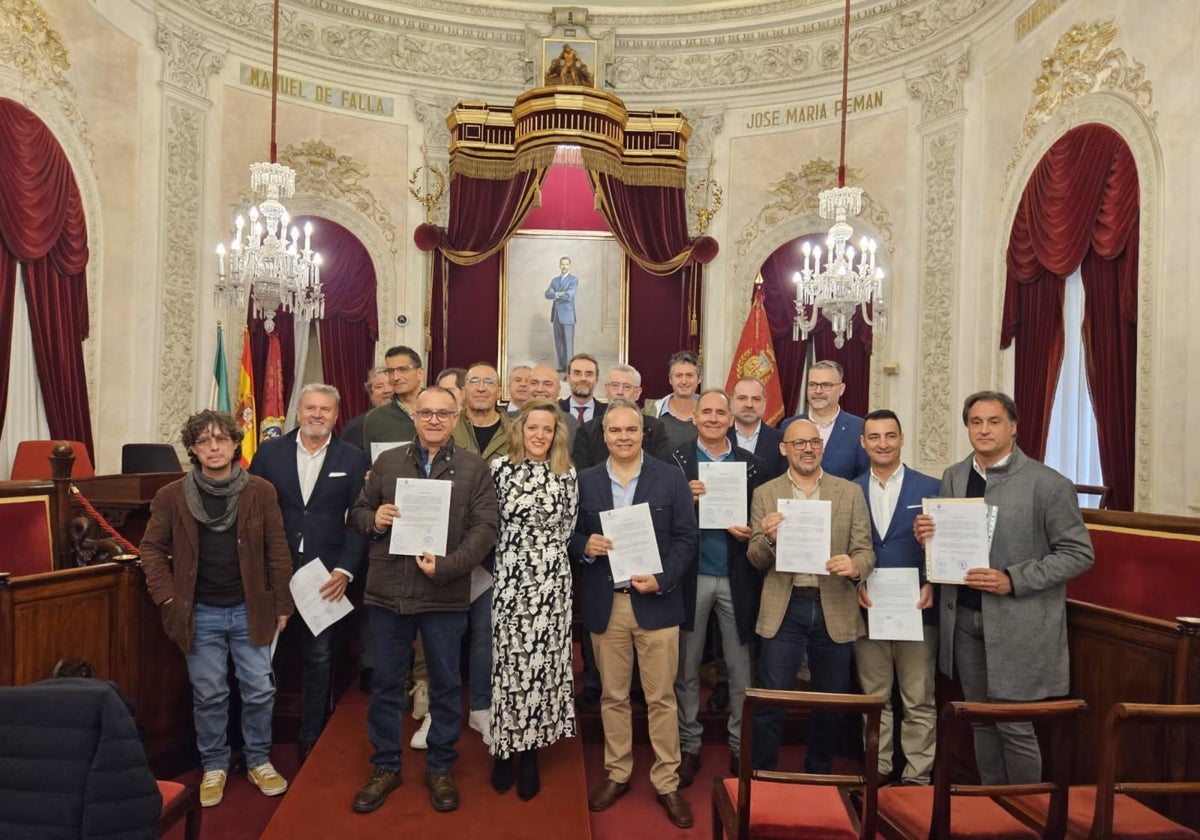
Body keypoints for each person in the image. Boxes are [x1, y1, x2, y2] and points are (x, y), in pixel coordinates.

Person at [914, 391, 1094, 785]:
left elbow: (1079, 554)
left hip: (1018, 623)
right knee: (980, 721)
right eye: (976, 422)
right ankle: (991, 806)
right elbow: (944, 543)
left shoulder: (1048, 484)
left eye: (994, 421)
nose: (984, 429)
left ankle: (1026, 813)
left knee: (1015, 726)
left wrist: (1013, 578)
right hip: (962, 619)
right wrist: (926, 533)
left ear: (1013, 427)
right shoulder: (954, 476)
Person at [349, 386, 499, 815]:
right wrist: (374, 519)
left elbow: (485, 530)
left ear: (456, 419)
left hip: (444, 592)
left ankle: (439, 766)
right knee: (386, 685)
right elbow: (359, 513)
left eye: (443, 414)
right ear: (414, 416)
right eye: (426, 413)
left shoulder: (474, 469)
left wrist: (449, 565)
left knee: (447, 684)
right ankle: (385, 766)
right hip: (388, 592)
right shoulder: (387, 462)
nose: (434, 420)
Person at [140, 410, 294, 808]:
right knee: (209, 695)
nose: (213, 447)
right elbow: (151, 550)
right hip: (198, 613)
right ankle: (214, 764)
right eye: (204, 441)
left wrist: (282, 602)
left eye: (221, 440)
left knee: (259, 690)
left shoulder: (261, 490)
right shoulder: (171, 496)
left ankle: (259, 759)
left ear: (234, 444)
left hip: (251, 609)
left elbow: (277, 550)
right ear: (192, 448)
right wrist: (168, 598)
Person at [571, 399, 699, 829]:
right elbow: (568, 534)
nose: (623, 437)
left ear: (643, 433)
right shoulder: (584, 481)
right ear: (603, 435)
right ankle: (618, 772)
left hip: (657, 603)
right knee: (613, 696)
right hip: (607, 605)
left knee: (662, 697)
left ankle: (667, 781)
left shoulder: (670, 478)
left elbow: (686, 538)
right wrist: (583, 546)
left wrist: (662, 579)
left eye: (631, 430)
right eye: (614, 431)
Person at [248, 384, 369, 763]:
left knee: (319, 658)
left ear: (337, 415)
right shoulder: (269, 453)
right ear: (298, 412)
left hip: (326, 576)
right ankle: (256, 742)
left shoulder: (352, 458)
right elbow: (250, 512)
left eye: (326, 410)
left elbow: (361, 521)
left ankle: (311, 737)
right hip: (275, 572)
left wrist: (346, 569)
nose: (318, 415)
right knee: (266, 658)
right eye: (311, 408)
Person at [748, 417, 874, 773]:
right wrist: (770, 539)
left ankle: (818, 776)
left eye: (814, 442)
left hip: (833, 604)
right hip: (784, 607)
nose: (808, 449)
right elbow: (755, 558)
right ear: (783, 449)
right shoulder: (766, 493)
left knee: (830, 703)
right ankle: (764, 776)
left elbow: (865, 551)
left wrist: (854, 565)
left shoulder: (849, 492)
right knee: (772, 700)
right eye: (799, 443)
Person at [670, 389, 767, 784]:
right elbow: (661, 523)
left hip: (736, 577)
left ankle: (741, 748)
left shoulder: (752, 465)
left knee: (740, 670)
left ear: (731, 419)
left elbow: (765, 523)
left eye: (719, 412)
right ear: (694, 417)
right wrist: (683, 503)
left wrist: (751, 532)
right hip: (690, 579)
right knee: (686, 668)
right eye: (705, 411)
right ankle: (688, 746)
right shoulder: (675, 463)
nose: (712, 418)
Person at [489, 398, 579, 801]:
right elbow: (490, 525)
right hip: (509, 579)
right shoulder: (499, 470)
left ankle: (530, 753)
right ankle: (504, 750)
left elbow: (568, 526)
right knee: (509, 665)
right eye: (532, 428)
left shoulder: (566, 473)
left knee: (542, 667)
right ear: (520, 431)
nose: (539, 435)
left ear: (555, 433)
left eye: (547, 429)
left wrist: (545, 568)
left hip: (552, 583)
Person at [852, 409, 941, 785]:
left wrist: (932, 582)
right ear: (863, 442)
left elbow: (948, 546)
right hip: (868, 607)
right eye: (874, 437)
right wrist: (854, 583)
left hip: (917, 608)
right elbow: (845, 546)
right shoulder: (849, 489)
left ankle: (917, 778)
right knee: (875, 699)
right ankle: (879, 771)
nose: (883, 443)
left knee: (918, 698)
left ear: (902, 439)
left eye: (890, 435)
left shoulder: (932, 487)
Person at [450, 362, 514, 745]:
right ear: (463, 389)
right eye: (474, 380)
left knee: (485, 634)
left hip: (496, 549)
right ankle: (441, 711)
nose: (481, 388)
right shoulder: (446, 424)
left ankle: (481, 708)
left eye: (489, 382)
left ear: (499, 390)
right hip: (449, 545)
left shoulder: (515, 431)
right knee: (444, 632)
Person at [779, 360, 869, 480]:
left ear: (841, 389)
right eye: (812, 385)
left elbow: (864, 475)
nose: (818, 391)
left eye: (826, 385)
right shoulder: (789, 425)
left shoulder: (858, 428)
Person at [573, 363, 669, 472]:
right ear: (607, 389)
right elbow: (582, 476)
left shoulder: (655, 428)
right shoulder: (588, 431)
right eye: (614, 385)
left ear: (637, 393)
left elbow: (663, 472)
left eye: (626, 387)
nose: (620, 392)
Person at [363, 346, 424, 454]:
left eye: (403, 369)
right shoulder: (376, 418)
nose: (395, 377)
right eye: (390, 371)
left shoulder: (441, 410)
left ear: (420, 373)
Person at [729, 376, 787, 477]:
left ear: (765, 403)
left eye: (756, 399)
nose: (749, 404)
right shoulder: (719, 437)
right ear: (731, 401)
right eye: (742, 398)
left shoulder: (781, 440)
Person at [646, 350, 701, 452]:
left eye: (689, 375)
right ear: (670, 379)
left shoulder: (711, 412)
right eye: (678, 376)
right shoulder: (650, 412)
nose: (684, 381)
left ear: (699, 379)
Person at [340, 366, 392, 451]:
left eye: (391, 384)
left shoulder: (413, 421)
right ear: (371, 394)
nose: (387, 390)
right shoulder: (356, 427)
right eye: (379, 386)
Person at [529, 362, 579, 445]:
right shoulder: (510, 419)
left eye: (548, 384)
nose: (540, 389)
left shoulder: (569, 422)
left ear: (558, 390)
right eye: (534, 383)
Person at [544, 256, 578, 373]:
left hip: (568, 316)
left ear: (570, 266)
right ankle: (561, 366)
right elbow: (547, 294)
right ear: (559, 266)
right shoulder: (554, 281)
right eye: (562, 264)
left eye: (566, 264)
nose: (564, 266)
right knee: (558, 343)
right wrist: (558, 294)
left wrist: (555, 295)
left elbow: (569, 296)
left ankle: (569, 369)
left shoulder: (573, 280)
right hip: (556, 315)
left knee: (568, 344)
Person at [560, 353, 601, 424]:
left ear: (596, 380)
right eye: (577, 373)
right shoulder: (556, 410)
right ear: (568, 378)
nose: (583, 379)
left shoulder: (607, 412)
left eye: (589, 374)